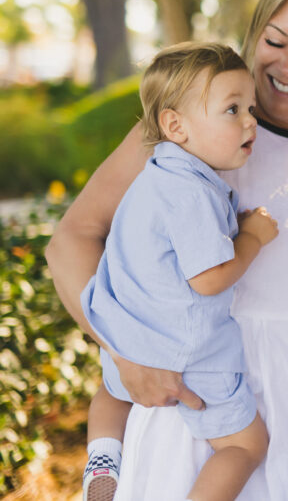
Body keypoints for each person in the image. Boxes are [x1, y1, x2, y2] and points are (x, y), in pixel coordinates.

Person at [46, 0, 288, 500]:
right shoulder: (185, 141)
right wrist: (129, 358)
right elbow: (71, 242)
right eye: (275, 41)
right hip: (204, 428)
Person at [81, 42, 277, 501]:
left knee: (111, 395)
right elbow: (208, 278)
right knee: (246, 445)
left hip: (129, 336)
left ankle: (103, 461)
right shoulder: (194, 192)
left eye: (250, 107)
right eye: (232, 109)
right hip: (188, 354)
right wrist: (253, 237)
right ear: (176, 126)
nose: (251, 120)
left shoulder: (154, 176)